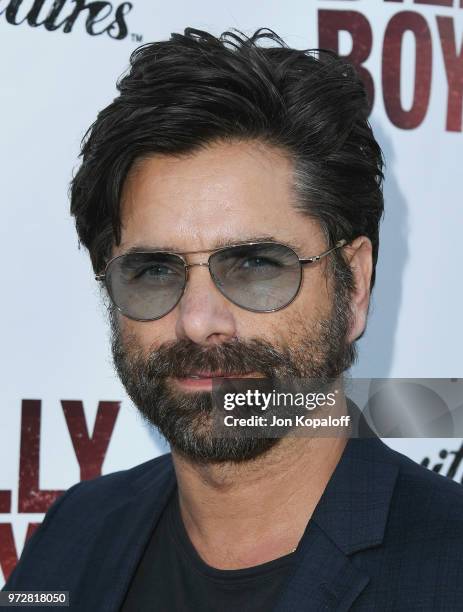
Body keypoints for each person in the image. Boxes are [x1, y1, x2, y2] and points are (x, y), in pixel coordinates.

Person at [4, 27, 463, 612]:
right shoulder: (73, 534)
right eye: (154, 271)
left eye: (253, 265)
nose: (198, 321)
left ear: (354, 287)